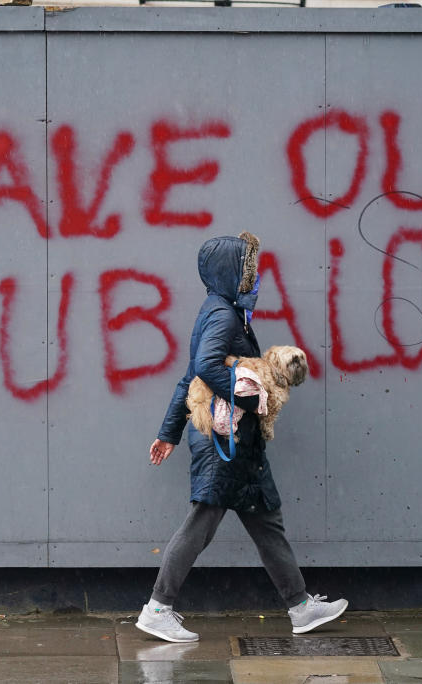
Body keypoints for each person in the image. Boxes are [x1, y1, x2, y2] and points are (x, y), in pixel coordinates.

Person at [136, 231, 347, 643]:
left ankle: (301, 607)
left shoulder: (221, 309)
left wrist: (169, 433)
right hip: (224, 444)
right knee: (201, 524)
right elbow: (203, 366)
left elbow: (188, 377)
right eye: (246, 268)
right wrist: (254, 401)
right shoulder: (224, 315)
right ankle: (158, 609)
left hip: (240, 445)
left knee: (267, 521)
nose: (253, 276)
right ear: (230, 272)